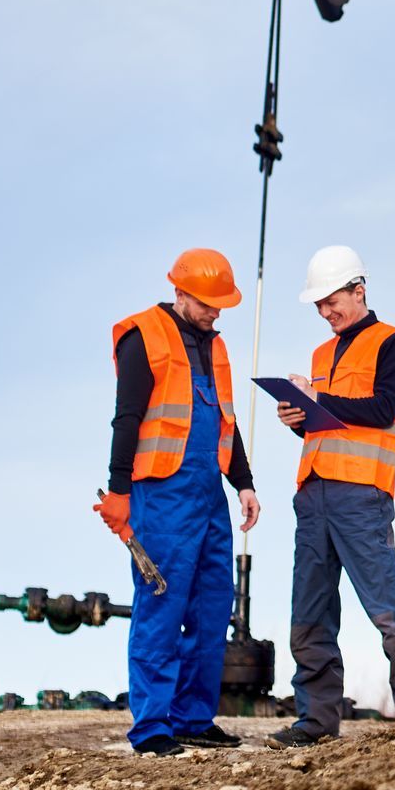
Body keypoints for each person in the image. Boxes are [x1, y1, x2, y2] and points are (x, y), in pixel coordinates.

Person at [266, 244, 395, 747]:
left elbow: (383, 408)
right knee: (310, 612)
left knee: (387, 608)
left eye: (331, 301)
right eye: (319, 306)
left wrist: (318, 398)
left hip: (362, 496)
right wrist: (298, 419)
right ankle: (316, 722)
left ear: (358, 289)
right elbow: (332, 424)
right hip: (313, 494)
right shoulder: (321, 354)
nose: (326, 313)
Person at [92, 248, 261, 757]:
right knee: (161, 608)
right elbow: (126, 419)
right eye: (208, 304)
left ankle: (192, 717)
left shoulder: (216, 347)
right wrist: (119, 491)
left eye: (221, 305)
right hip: (161, 497)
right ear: (181, 293)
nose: (216, 313)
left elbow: (224, 423)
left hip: (209, 496)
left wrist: (245, 483)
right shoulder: (145, 336)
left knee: (212, 610)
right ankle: (151, 727)